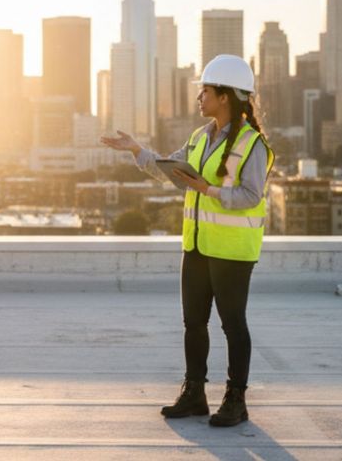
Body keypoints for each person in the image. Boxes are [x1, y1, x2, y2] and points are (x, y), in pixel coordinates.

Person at [100, 54, 274, 427]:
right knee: (193, 323)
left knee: (233, 325)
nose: (199, 98)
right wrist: (136, 149)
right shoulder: (199, 137)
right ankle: (194, 393)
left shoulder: (252, 144)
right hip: (196, 246)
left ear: (225, 96)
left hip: (231, 251)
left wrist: (207, 189)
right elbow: (171, 170)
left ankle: (236, 400)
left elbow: (251, 196)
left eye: (205, 91)